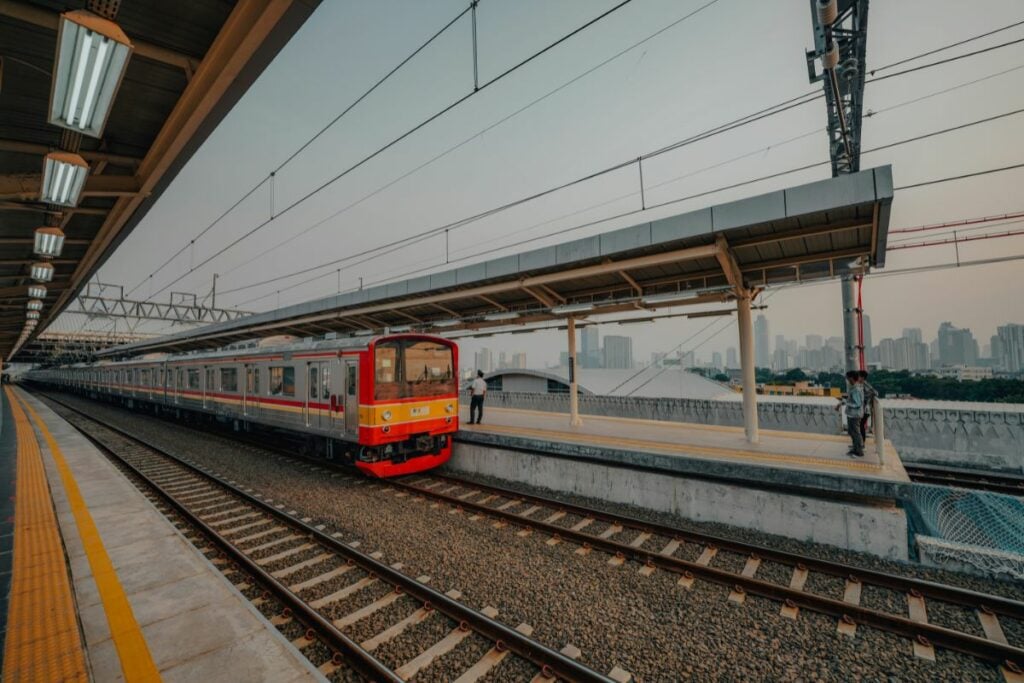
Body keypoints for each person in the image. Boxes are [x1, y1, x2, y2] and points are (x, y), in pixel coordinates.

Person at [843, 370, 865, 457]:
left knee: (855, 432)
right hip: (852, 414)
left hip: (854, 415)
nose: (847, 379)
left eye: (848, 377)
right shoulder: (855, 387)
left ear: (851, 378)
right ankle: (855, 448)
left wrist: (846, 403)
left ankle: (859, 450)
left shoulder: (856, 389)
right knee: (852, 432)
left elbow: (858, 403)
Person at [858, 369, 877, 441]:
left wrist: (866, 398)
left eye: (858, 376)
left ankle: (862, 443)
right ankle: (860, 443)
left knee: (860, 426)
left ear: (862, 377)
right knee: (860, 426)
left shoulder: (865, 385)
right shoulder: (861, 385)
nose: (857, 377)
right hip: (863, 409)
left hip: (865, 410)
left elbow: (875, 392)